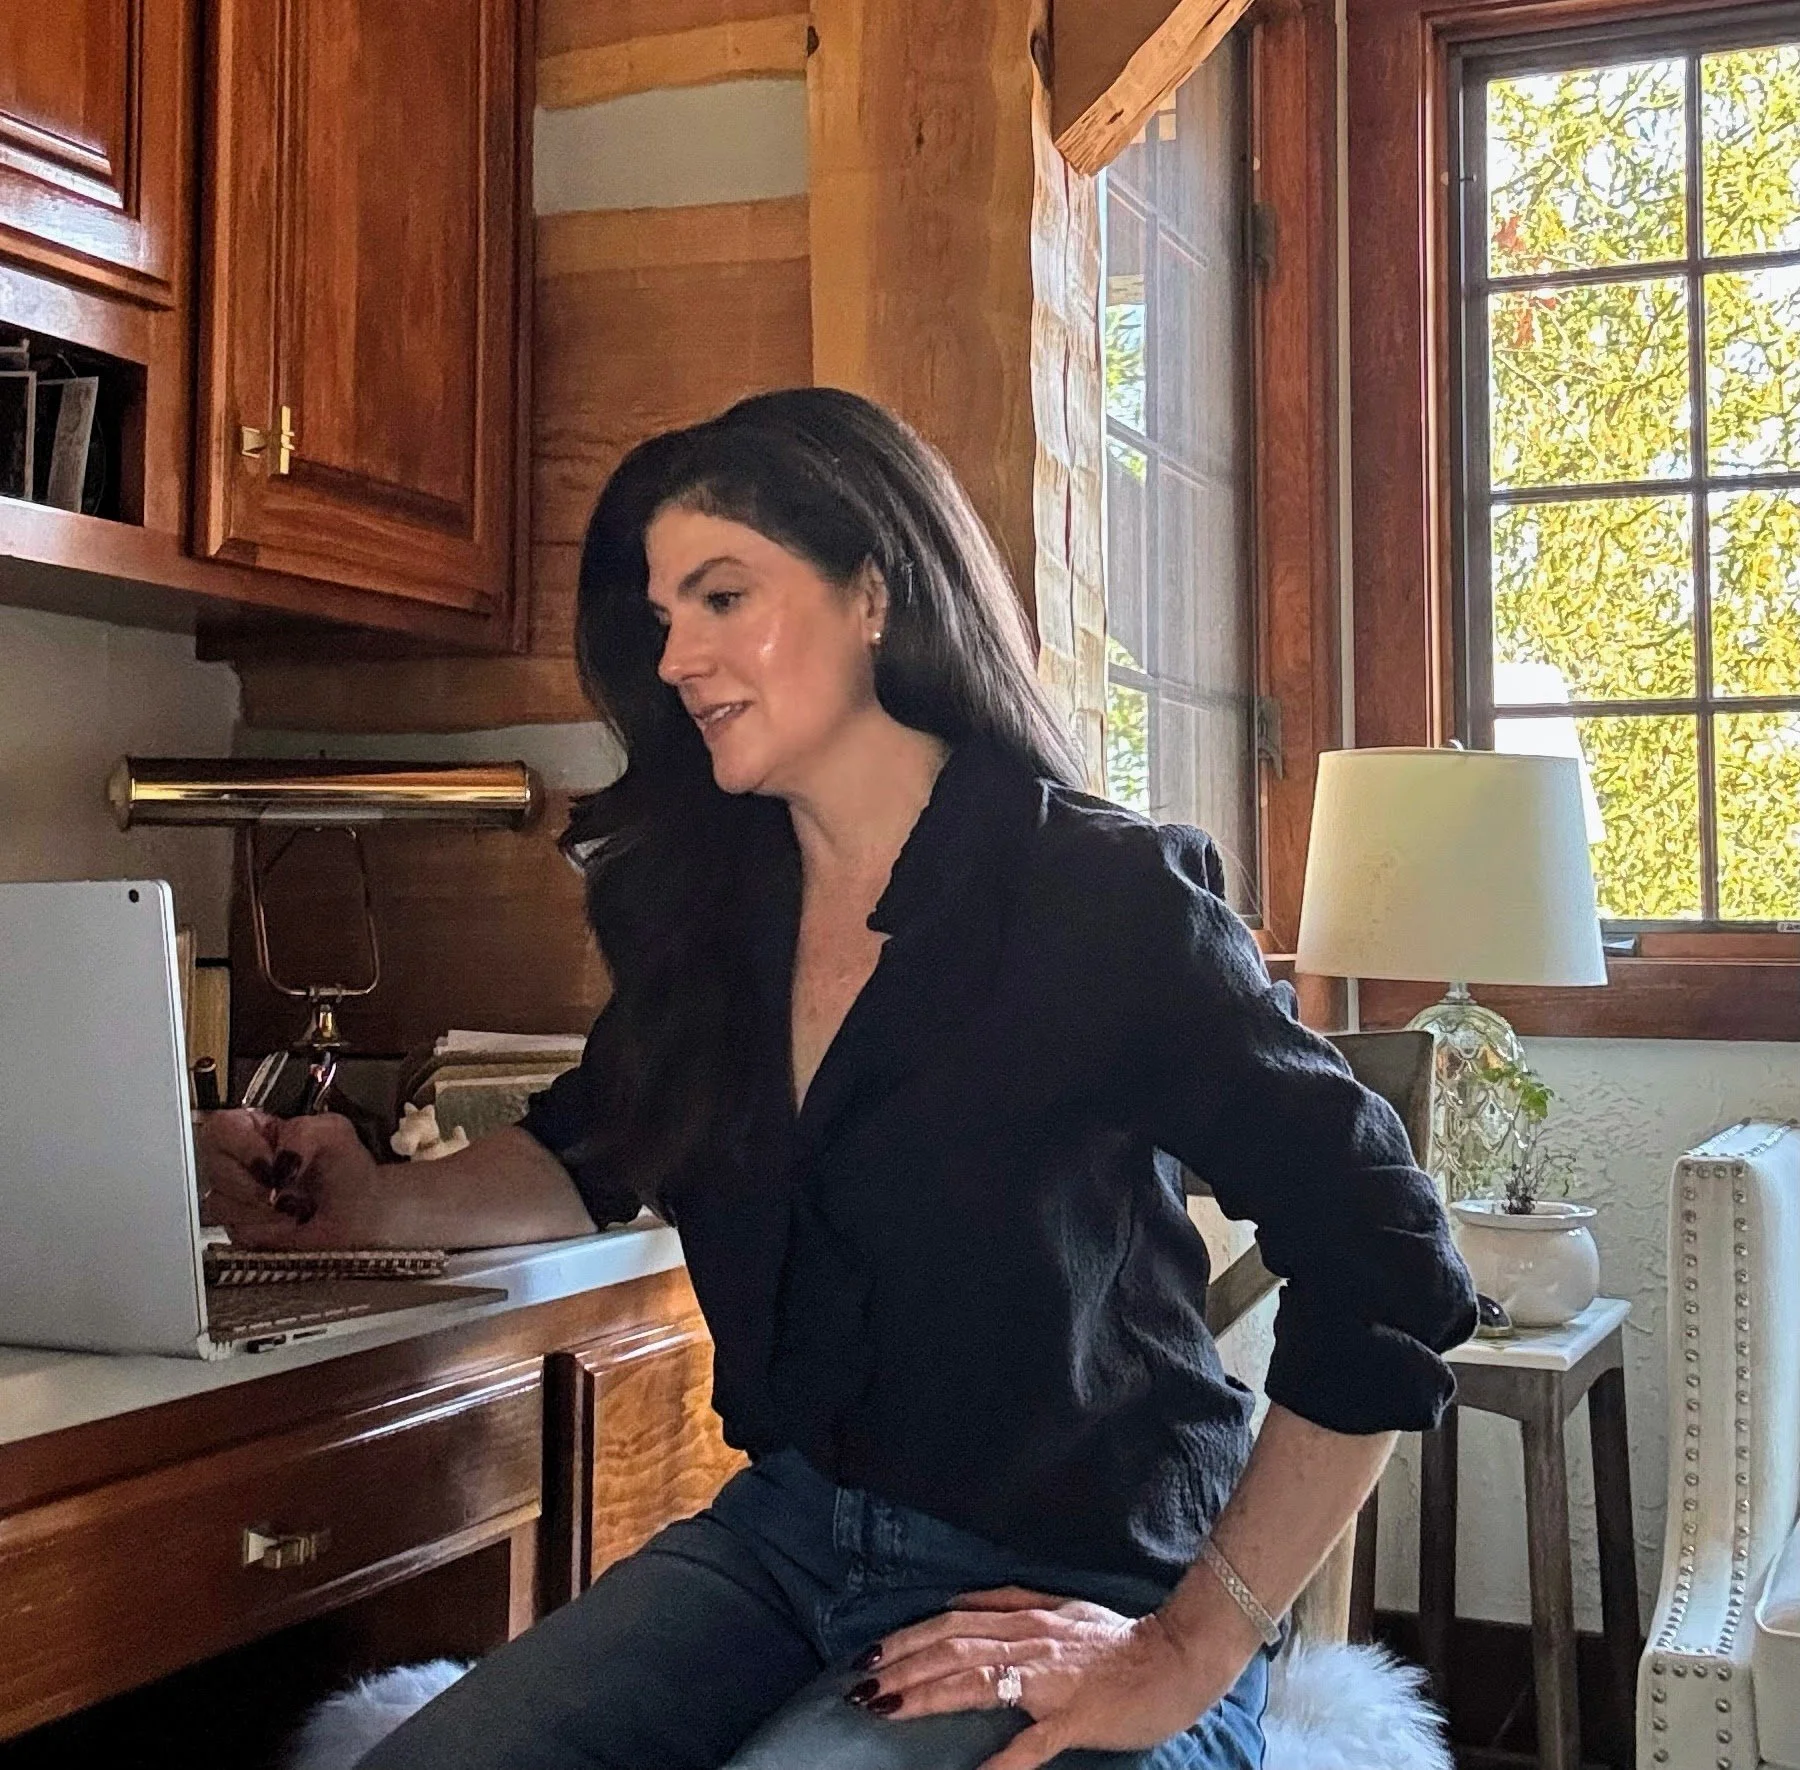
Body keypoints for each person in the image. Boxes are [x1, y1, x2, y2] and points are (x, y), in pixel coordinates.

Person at [201, 388, 1476, 1770]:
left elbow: (1386, 1260)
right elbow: (596, 1143)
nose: (677, 654)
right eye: (661, 616)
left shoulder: (1098, 900)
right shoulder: (709, 916)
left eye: (723, 594)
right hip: (790, 1538)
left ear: (875, 589)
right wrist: (370, 1200)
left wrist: (1190, 1642)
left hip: (1079, 1575)